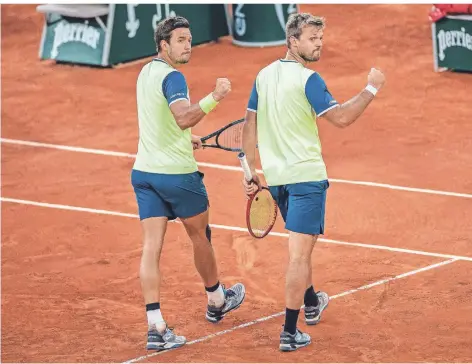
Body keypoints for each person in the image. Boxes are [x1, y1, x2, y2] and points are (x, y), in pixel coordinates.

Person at [241, 12, 385, 352]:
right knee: (298, 257)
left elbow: (249, 123)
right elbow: (342, 118)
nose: (318, 44)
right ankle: (290, 332)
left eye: (320, 39)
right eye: (311, 39)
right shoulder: (309, 79)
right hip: (305, 178)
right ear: (293, 41)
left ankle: (310, 301)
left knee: (301, 249)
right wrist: (371, 87)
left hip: (278, 181)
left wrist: (248, 171)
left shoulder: (263, 75)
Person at [131, 16, 246, 352]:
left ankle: (156, 327)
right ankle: (216, 300)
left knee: (151, 248)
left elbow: (163, 122)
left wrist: (187, 139)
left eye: (189, 39)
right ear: (163, 45)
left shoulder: (145, 72)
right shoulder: (174, 76)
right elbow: (182, 116)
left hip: (145, 175)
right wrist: (215, 96)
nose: (187, 45)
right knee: (201, 236)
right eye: (181, 40)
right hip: (178, 178)